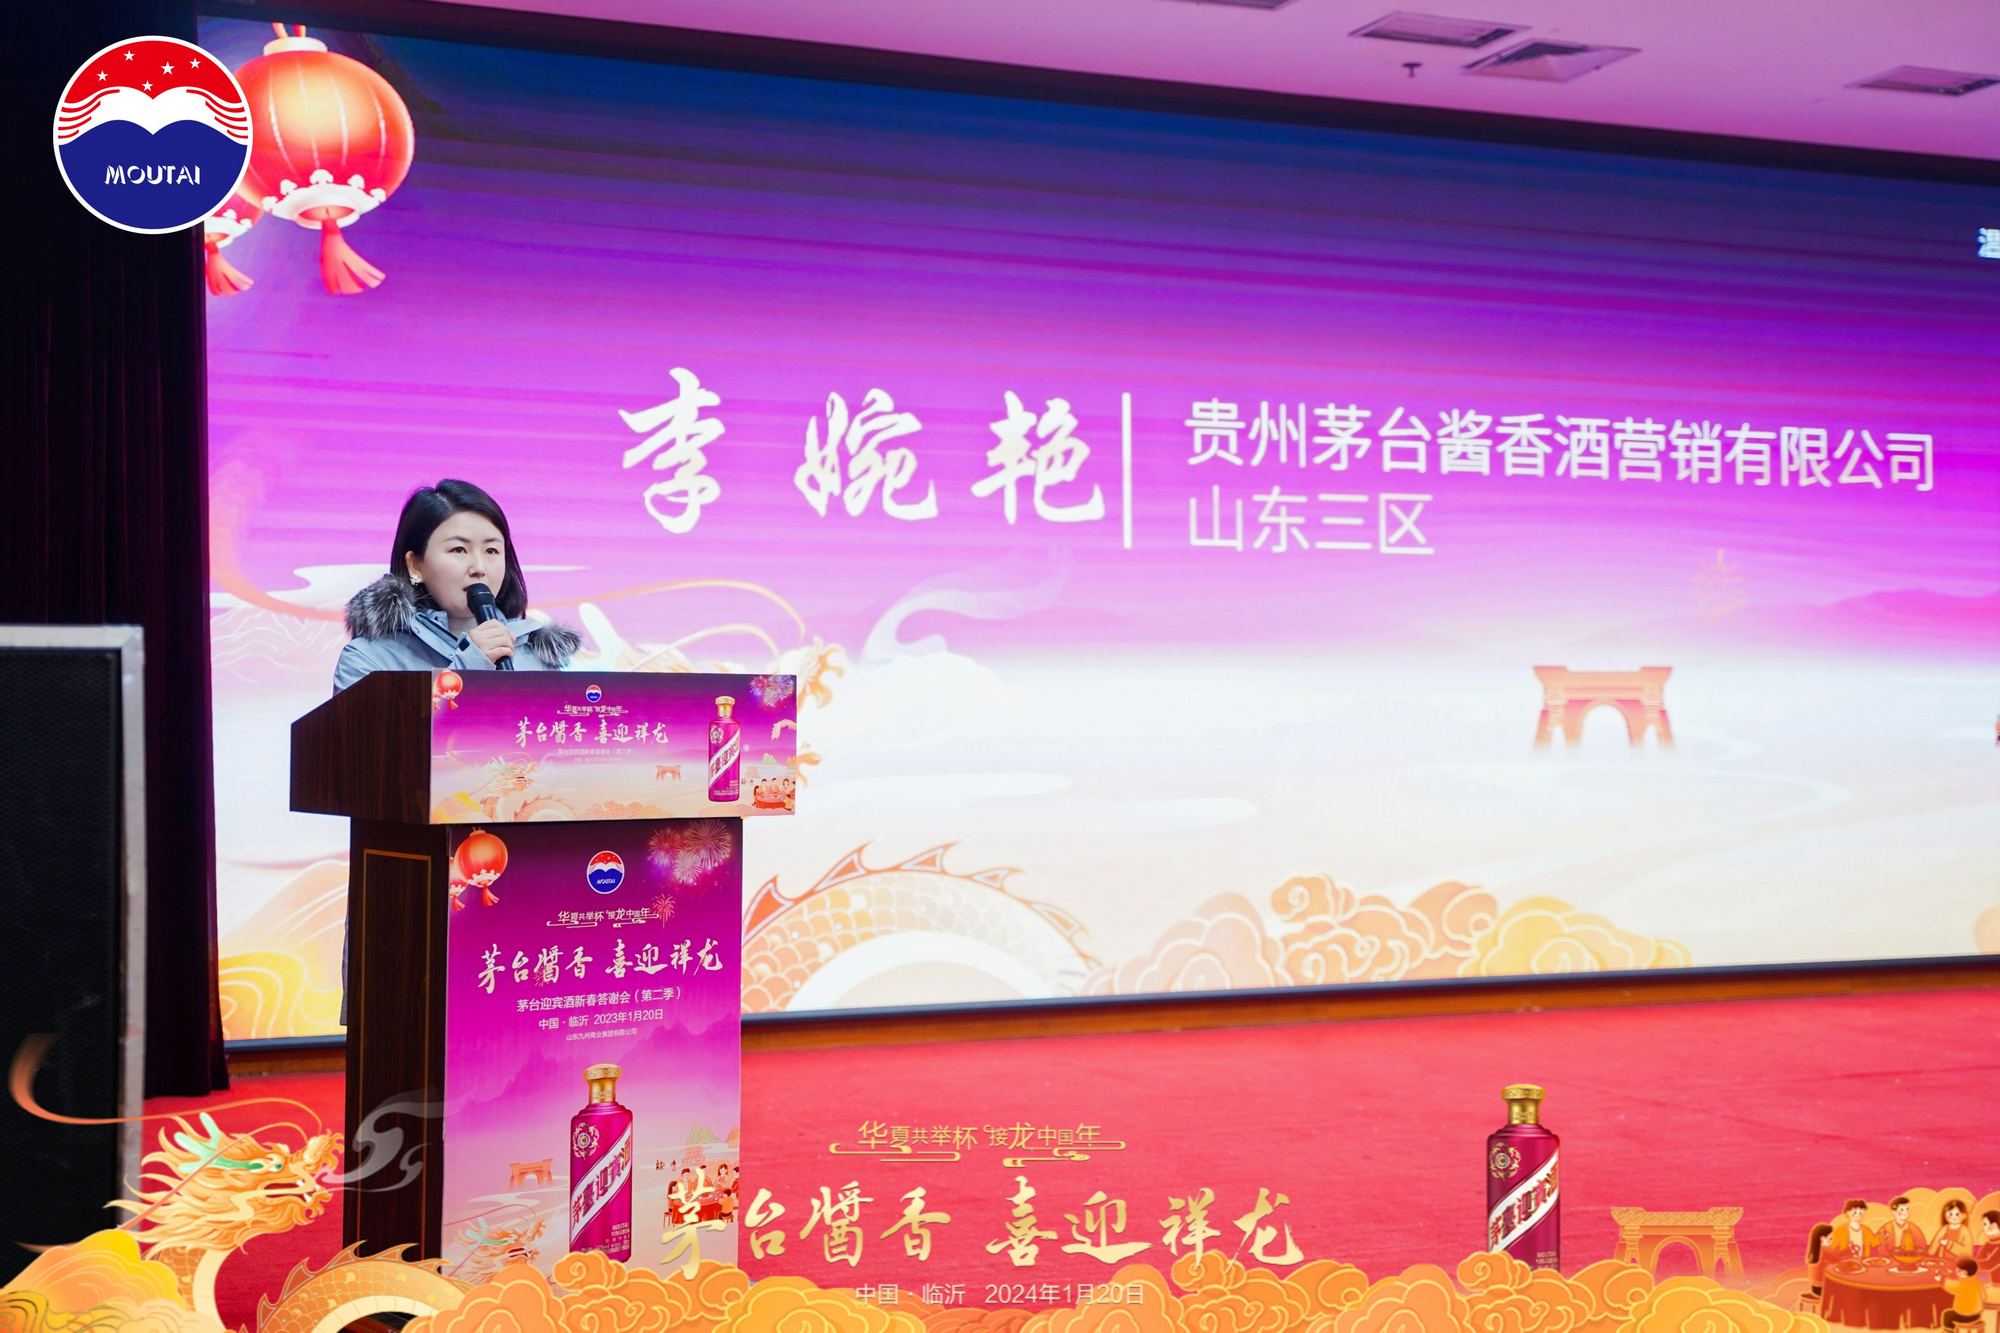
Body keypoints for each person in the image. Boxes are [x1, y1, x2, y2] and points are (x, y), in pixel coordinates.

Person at [334, 479, 579, 691]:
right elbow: (372, 733)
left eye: (492, 551)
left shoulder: (536, 658)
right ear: (415, 564)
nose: (479, 567)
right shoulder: (369, 659)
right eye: (459, 549)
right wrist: (470, 666)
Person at [1876, 1196, 1927, 1262]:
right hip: (1890, 1261)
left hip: (1910, 1260)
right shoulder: (1886, 1228)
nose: (1905, 1212)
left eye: (1907, 1209)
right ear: (1894, 1212)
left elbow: (1922, 1246)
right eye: (1902, 1210)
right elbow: (1881, 1248)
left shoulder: (1914, 1228)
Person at [1940, 1257, 1983, 1327]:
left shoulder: (1964, 1284)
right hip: (1977, 1314)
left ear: (1964, 1272)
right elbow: (1983, 1296)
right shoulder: (1975, 1281)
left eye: (1958, 1270)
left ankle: (1949, 1331)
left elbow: (1950, 1286)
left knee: (1947, 1315)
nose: (1955, 1270)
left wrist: (1941, 1278)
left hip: (1966, 1316)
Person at [1933, 1199, 1977, 1263]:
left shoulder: (1965, 1231)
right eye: (1951, 1214)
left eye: (1957, 1214)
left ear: (1964, 1216)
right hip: (1942, 1261)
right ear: (1945, 1216)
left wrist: (1949, 1244)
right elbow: (1934, 1245)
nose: (1953, 1217)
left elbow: (1967, 1252)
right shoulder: (1944, 1229)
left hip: (1958, 1263)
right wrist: (1928, 1255)